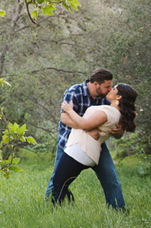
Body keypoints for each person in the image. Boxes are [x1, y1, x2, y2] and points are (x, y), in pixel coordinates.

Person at [44, 69, 126, 209]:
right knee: (58, 180)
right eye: (107, 86)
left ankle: (118, 210)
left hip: (97, 144)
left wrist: (119, 131)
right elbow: (65, 118)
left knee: (111, 179)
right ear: (95, 84)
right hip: (69, 143)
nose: (109, 90)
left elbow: (116, 128)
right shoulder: (74, 92)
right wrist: (88, 128)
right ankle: (52, 209)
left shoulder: (106, 98)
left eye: (110, 87)